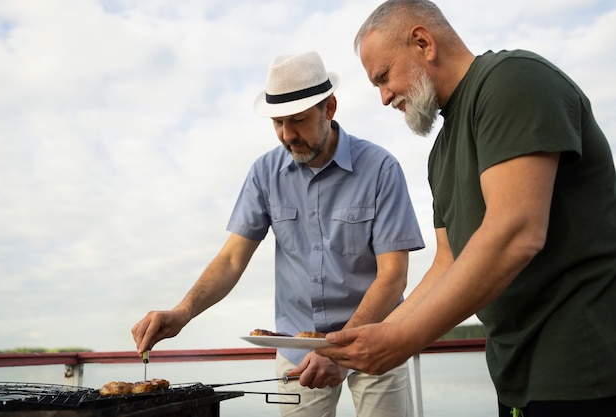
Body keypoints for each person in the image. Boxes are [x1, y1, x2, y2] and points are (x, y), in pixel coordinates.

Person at [316, 1, 616, 416]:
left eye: (384, 77)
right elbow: (447, 262)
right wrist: (375, 335)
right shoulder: (440, 153)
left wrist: (406, 340)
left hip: (585, 369)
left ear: (423, 42)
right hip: (514, 375)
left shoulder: (514, 80)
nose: (384, 97)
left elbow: (516, 232)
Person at [132, 51, 425, 417]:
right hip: (296, 352)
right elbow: (231, 258)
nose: (287, 135)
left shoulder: (381, 169)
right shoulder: (263, 173)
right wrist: (182, 312)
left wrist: (342, 350)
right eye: (278, 123)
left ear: (329, 107)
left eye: (298, 121)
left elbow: (393, 277)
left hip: (375, 339)